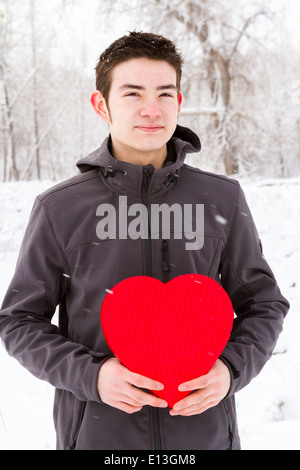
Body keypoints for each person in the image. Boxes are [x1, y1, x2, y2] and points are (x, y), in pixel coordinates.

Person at [0, 31, 289, 451]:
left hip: (204, 438)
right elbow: (19, 321)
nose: (152, 110)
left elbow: (264, 304)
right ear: (102, 104)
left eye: (164, 94)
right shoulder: (60, 208)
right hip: (99, 438)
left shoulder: (220, 198)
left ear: (180, 101)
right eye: (133, 93)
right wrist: (92, 376)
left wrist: (230, 369)